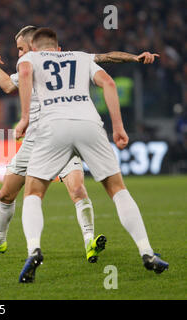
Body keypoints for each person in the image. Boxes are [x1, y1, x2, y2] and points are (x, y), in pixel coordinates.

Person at [0, 25, 159, 263]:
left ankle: (88, 240)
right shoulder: (36, 63)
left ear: (32, 46)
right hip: (36, 139)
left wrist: (134, 57)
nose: (18, 54)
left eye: (20, 49)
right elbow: (8, 85)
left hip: (56, 133)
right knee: (6, 194)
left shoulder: (41, 60)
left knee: (76, 189)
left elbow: (105, 57)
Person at [15, 27, 168, 283]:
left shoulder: (29, 58)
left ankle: (34, 250)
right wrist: (118, 127)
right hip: (89, 124)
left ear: (33, 47)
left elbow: (26, 72)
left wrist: (24, 118)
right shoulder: (81, 56)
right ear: (59, 48)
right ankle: (147, 251)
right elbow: (108, 78)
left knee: (33, 192)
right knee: (117, 189)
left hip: (53, 127)